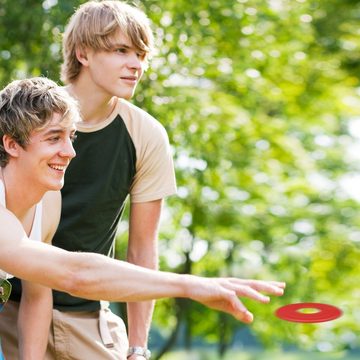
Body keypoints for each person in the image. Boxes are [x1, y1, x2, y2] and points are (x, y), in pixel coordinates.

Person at [0, 4, 286, 360]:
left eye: (141, 54)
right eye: (121, 51)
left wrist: (138, 347)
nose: (136, 64)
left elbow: (137, 250)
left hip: (86, 309)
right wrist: (188, 286)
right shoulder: (28, 117)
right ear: (83, 53)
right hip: (13, 307)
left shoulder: (143, 136)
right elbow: (69, 272)